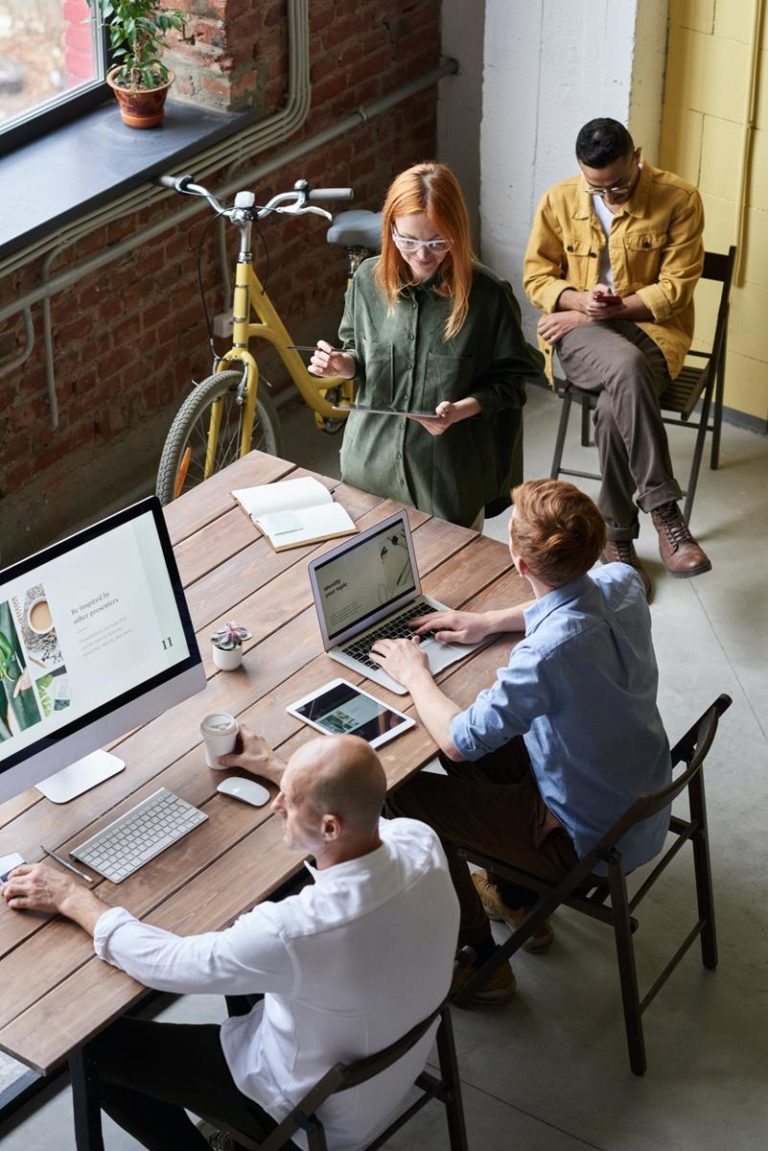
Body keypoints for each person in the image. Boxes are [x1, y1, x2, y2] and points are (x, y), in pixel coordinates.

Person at [2, 733, 459, 1151]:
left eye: (291, 801)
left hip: (309, 1114)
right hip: (388, 1069)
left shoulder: (295, 930)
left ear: (330, 829)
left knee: (95, 1050)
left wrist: (71, 897)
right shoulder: (420, 841)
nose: (278, 805)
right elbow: (357, 807)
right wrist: (279, 768)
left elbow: (168, 964)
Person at [371, 479, 672, 1004]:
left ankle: (478, 963)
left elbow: (459, 742)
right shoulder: (625, 580)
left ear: (520, 564)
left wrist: (413, 671)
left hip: (589, 842)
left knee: (401, 792)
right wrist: (488, 622)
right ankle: (517, 897)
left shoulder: (547, 656)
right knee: (495, 735)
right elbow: (585, 596)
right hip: (639, 806)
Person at [524, 117, 712, 596]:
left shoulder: (680, 199)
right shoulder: (559, 200)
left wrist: (594, 314)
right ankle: (666, 510)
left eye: (621, 182)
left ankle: (618, 539)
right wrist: (577, 303)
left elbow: (674, 290)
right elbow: (537, 277)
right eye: (598, 187)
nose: (612, 194)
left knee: (614, 407)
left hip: (654, 332)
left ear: (638, 156)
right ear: (582, 171)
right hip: (581, 339)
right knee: (624, 370)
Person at [309, 160, 544, 528]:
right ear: (390, 230)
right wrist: (343, 364)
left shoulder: (488, 297)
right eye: (408, 241)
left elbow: (512, 383)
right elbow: (356, 349)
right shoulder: (367, 282)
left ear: (458, 232)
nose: (422, 255)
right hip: (367, 469)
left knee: (447, 581)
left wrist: (462, 409)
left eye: (438, 242)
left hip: (446, 482)